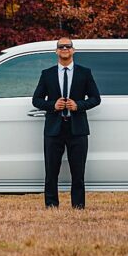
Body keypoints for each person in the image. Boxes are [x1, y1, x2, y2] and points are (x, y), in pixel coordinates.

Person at [31, 37, 101, 209]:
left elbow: (96, 98)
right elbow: (36, 100)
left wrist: (78, 105)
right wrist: (52, 105)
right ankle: (51, 206)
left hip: (77, 129)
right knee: (51, 171)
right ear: (56, 51)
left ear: (73, 50)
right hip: (54, 129)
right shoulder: (47, 74)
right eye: (61, 46)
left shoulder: (84, 73)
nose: (64, 49)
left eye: (68, 46)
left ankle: (78, 207)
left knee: (78, 172)